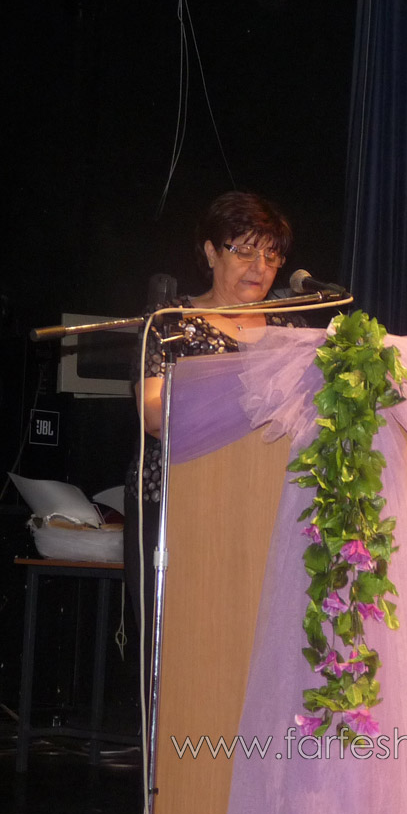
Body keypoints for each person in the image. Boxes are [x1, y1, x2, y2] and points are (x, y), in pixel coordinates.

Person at [126, 192, 310, 683]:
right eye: (245, 251)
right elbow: (154, 415)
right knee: (185, 662)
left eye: (272, 255)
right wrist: (248, 395)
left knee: (253, 660)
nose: (260, 267)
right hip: (181, 507)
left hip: (265, 511)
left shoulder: (291, 329)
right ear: (210, 252)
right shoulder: (169, 323)